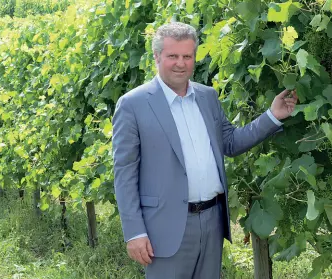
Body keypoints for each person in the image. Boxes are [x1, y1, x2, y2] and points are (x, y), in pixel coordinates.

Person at [112, 22, 298, 279]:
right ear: (156, 57)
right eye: (173, 56)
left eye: (187, 56)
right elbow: (124, 174)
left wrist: (272, 116)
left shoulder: (207, 97)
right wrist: (134, 232)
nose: (181, 63)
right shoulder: (132, 104)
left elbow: (230, 142)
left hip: (212, 220)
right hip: (164, 227)